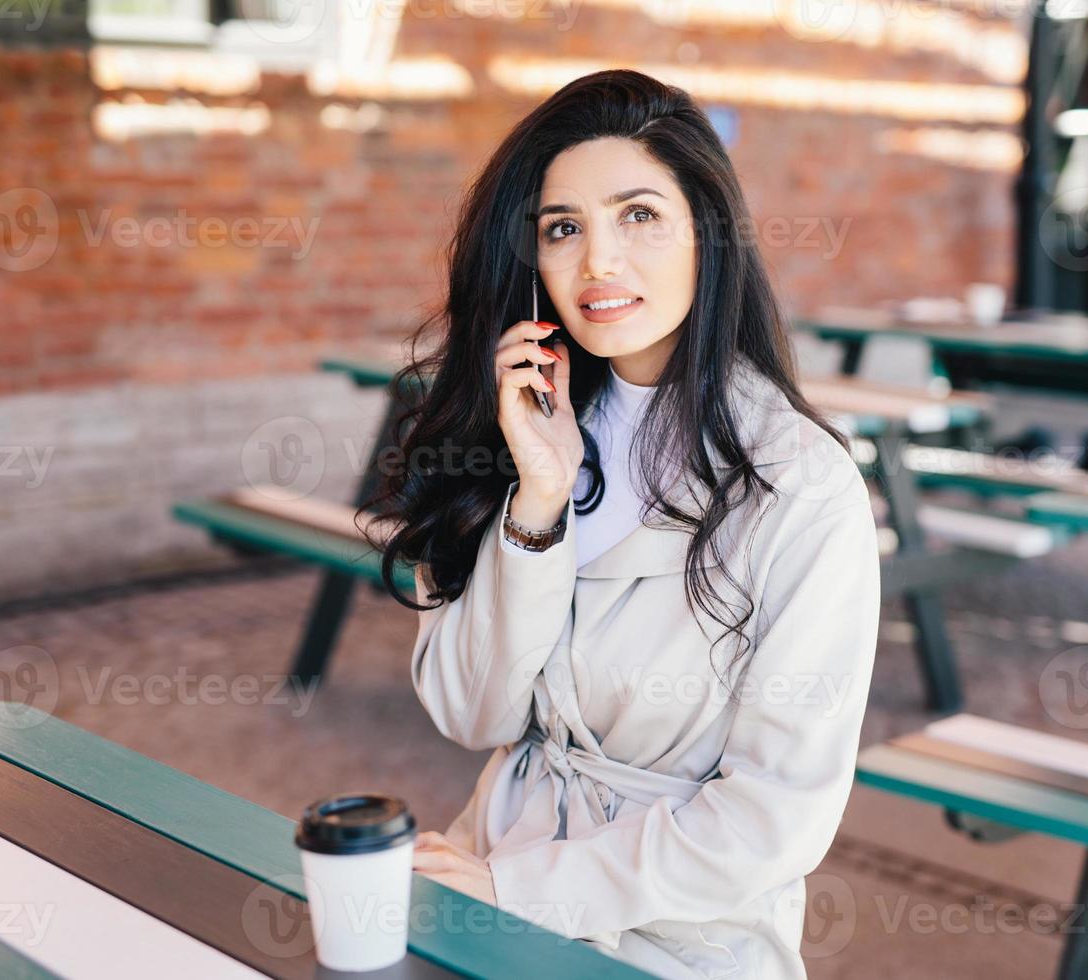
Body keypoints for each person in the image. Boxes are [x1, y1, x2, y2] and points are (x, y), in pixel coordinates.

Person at [364, 68, 880, 979]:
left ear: (706, 235)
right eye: (564, 229)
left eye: (638, 215)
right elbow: (471, 713)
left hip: (678, 934)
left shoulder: (801, 486)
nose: (600, 262)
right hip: (489, 866)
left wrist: (519, 892)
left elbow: (775, 818)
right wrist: (537, 503)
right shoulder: (528, 433)